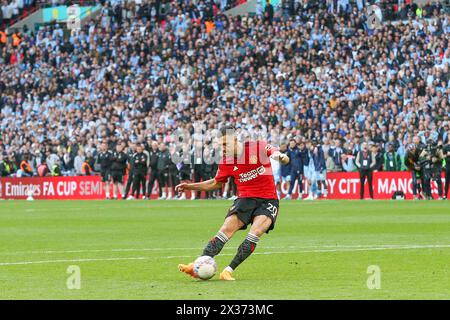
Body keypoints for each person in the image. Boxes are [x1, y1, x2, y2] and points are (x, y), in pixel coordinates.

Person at [176, 126, 289, 281]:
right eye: (219, 145)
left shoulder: (257, 146)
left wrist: (280, 157)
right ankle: (197, 264)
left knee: (255, 233)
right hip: (245, 199)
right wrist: (190, 186)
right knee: (225, 230)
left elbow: (278, 154)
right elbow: (215, 183)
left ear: (235, 140)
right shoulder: (226, 162)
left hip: (268, 200)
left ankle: (228, 270)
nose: (221, 148)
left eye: (224, 144)